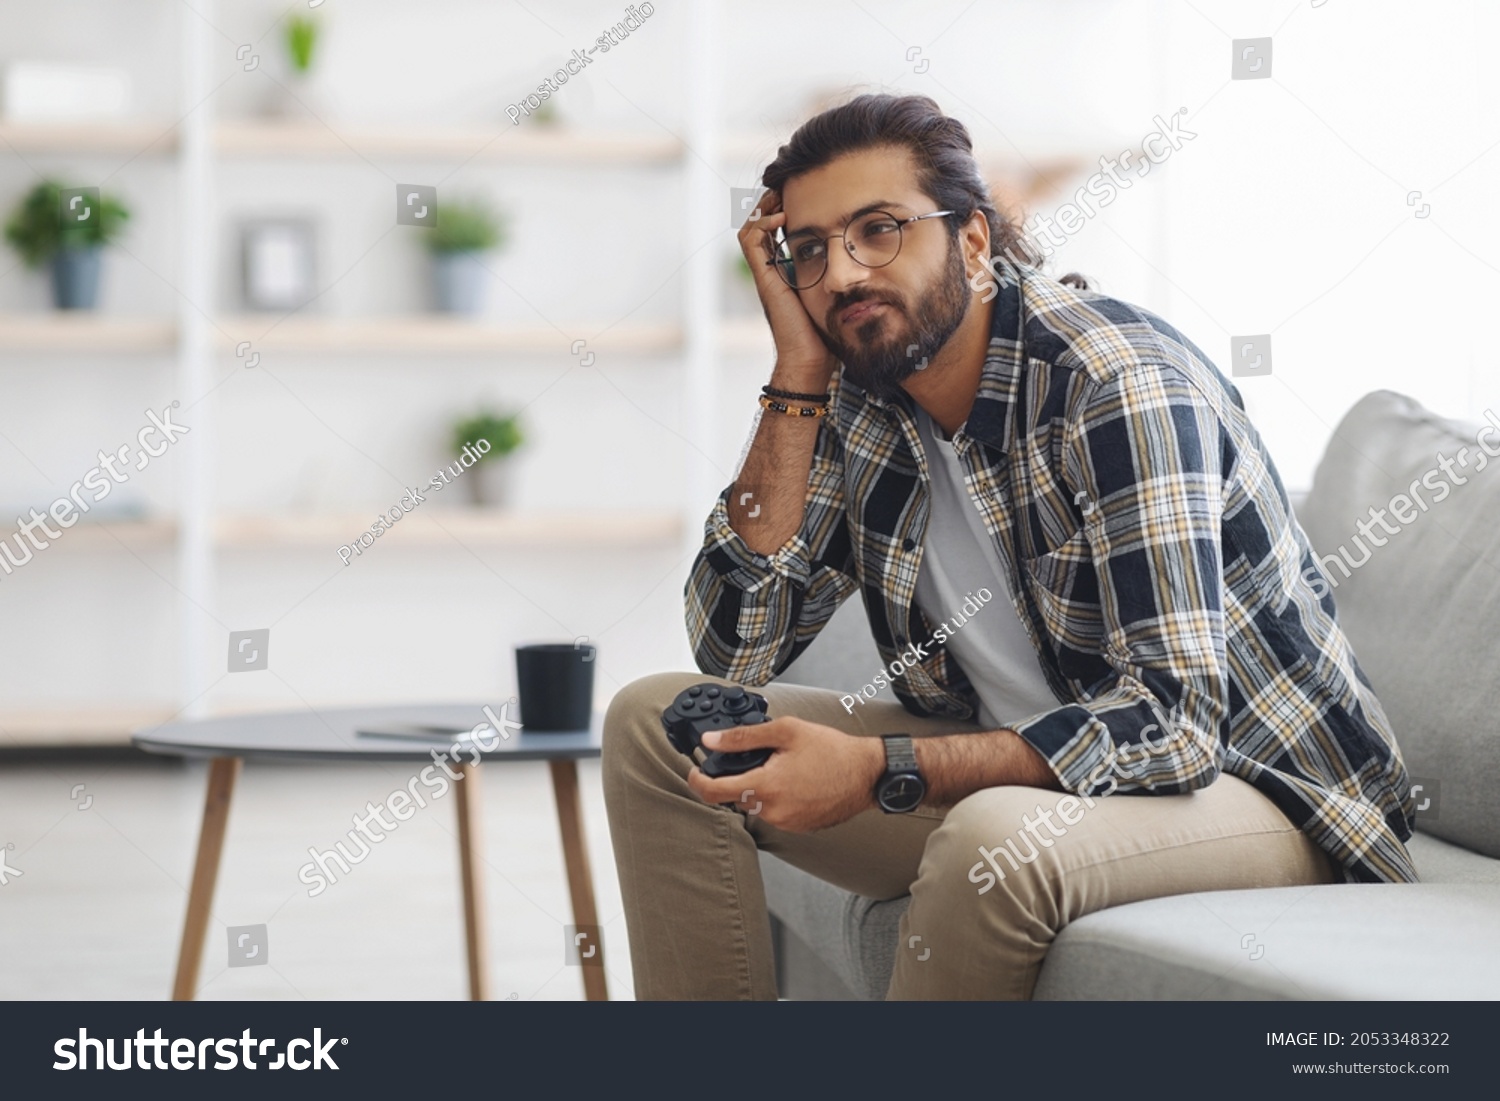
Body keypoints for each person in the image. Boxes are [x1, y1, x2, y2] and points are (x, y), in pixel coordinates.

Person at [602, 92, 1416, 1000]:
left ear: (975, 242)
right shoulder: (864, 399)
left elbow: (1174, 729)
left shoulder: (1116, 386)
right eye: (811, 250)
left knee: (994, 839)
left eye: (879, 230)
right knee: (660, 723)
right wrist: (797, 373)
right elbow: (734, 644)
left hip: (1264, 795)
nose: (840, 275)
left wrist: (880, 768)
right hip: (1033, 772)